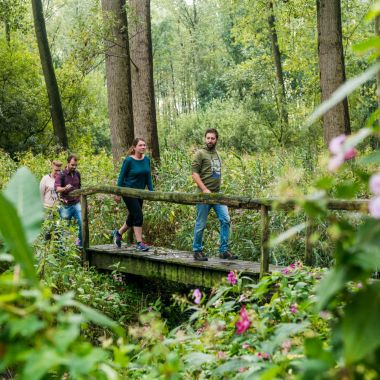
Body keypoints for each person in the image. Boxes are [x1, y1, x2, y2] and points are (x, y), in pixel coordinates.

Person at [191, 128, 237, 261]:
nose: (210, 140)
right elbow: (194, 174)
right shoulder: (200, 154)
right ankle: (197, 250)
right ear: (205, 139)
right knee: (201, 223)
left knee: (225, 219)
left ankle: (223, 250)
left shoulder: (217, 154)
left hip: (217, 195)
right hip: (203, 196)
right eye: (208, 138)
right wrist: (204, 189)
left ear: (216, 140)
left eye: (213, 138)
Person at [113, 138, 153, 251]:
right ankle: (140, 243)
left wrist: (151, 191)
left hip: (140, 193)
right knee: (138, 215)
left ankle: (118, 233)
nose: (143, 147)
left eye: (144, 145)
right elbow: (121, 177)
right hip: (128, 192)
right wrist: (118, 193)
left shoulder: (147, 160)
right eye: (140, 145)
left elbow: (148, 176)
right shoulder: (129, 161)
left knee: (132, 217)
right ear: (134, 147)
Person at [55, 154, 82, 247]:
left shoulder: (77, 174)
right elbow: (57, 189)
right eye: (72, 165)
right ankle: (64, 252)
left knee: (83, 223)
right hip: (65, 206)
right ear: (68, 163)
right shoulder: (61, 175)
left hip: (77, 203)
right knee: (65, 230)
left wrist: (83, 203)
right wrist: (65, 188)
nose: (74, 167)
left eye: (75, 165)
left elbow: (80, 189)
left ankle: (80, 246)